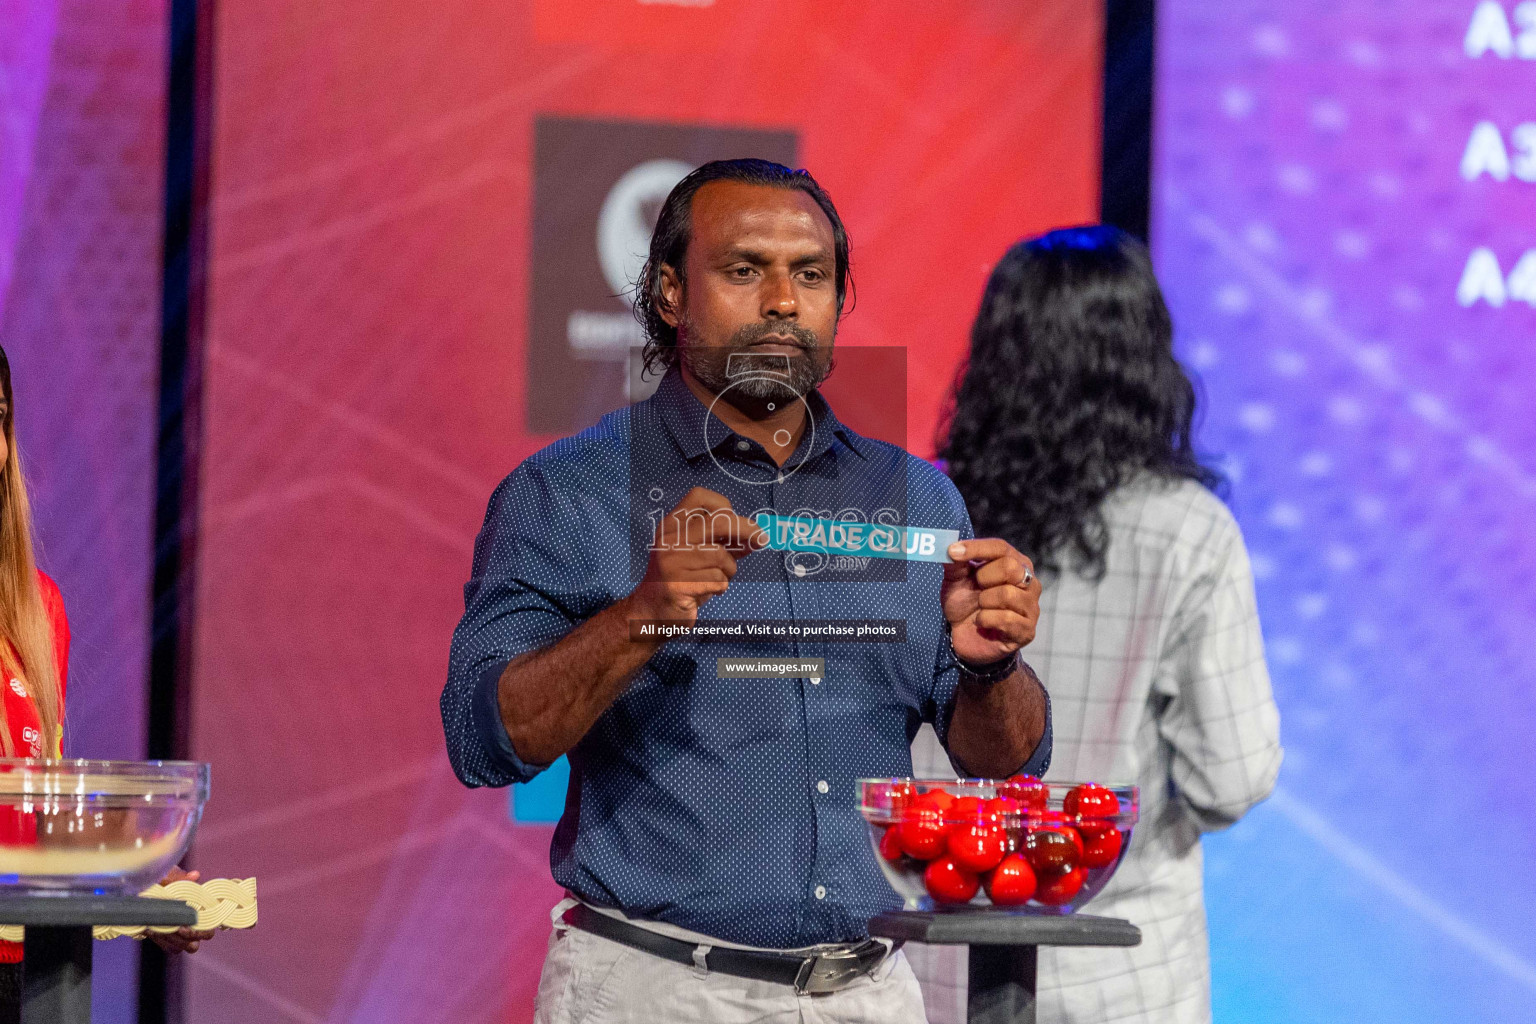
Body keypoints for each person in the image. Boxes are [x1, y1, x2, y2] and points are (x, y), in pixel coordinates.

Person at [443, 158, 1053, 1023]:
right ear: (668, 292)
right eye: (742, 270)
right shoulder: (568, 493)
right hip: (655, 989)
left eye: (810, 274)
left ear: (840, 301)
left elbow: (1007, 763)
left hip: (867, 993)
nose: (780, 300)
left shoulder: (916, 498)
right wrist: (643, 616)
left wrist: (993, 668)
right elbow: (483, 739)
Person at [906, 225, 1283, 1024]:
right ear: (1145, 363)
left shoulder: (929, 516)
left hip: (937, 966)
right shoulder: (1189, 530)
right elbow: (1233, 777)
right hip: (1126, 969)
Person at [0, 346, 212, 1021]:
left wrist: (136, 882)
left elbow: (39, 817)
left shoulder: (39, 612)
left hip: (28, 974)